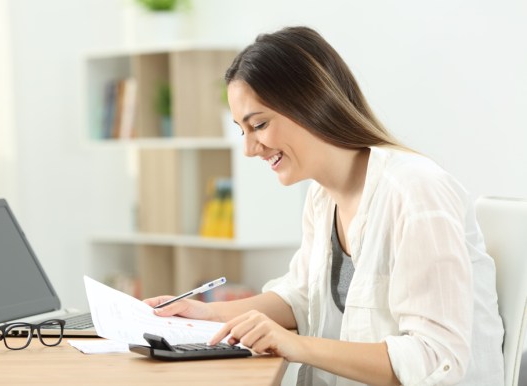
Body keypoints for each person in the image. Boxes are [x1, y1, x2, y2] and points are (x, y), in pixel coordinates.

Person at [144, 26, 505, 386]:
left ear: (311, 102)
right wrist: (206, 313)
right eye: (243, 130)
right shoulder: (322, 196)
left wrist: (295, 345)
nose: (250, 149)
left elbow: (435, 358)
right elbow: (301, 297)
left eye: (260, 125)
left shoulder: (414, 191)